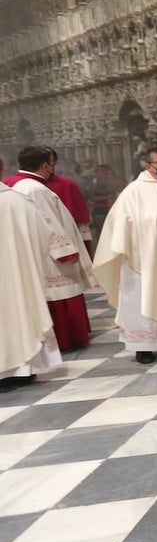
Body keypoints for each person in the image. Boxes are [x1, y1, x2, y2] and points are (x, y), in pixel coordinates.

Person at [91, 146, 157, 365]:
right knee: (146, 298)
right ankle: (145, 346)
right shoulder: (135, 192)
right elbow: (119, 227)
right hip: (148, 262)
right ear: (148, 166)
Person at [6, 146, 95, 351]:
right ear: (45, 165)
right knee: (59, 293)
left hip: (37, 251)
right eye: (51, 164)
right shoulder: (34, 188)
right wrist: (65, 251)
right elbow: (49, 222)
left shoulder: (16, 184)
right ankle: (66, 339)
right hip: (50, 255)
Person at [0, 157, 62, 392]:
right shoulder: (18, 201)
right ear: (3, 169)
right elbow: (43, 237)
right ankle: (23, 371)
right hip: (17, 276)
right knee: (20, 314)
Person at [43, 148, 93, 256]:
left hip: (65, 243)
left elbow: (81, 219)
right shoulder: (19, 185)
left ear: (54, 163)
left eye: (48, 161)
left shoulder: (67, 185)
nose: (44, 165)